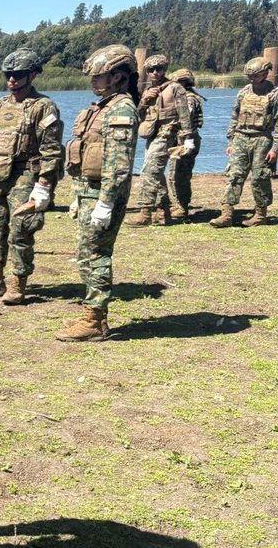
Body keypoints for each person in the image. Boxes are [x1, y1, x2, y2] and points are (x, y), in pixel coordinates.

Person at [0, 49, 63, 305]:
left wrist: (43, 185)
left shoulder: (43, 106)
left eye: (17, 74)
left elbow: (51, 150)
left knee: (21, 229)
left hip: (25, 174)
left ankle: (18, 283)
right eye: (8, 74)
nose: (11, 79)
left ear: (32, 75)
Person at [56, 45, 140, 341]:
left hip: (102, 194)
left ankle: (94, 318)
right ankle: (94, 316)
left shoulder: (121, 109)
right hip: (88, 191)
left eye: (100, 76)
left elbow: (118, 163)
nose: (93, 81)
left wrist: (106, 202)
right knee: (85, 253)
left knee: (95, 254)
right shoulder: (103, 107)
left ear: (118, 76)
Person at [209, 57, 277, 228]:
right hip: (241, 137)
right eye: (249, 76)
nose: (252, 79)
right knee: (234, 175)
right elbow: (235, 117)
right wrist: (231, 141)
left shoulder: (274, 95)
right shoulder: (244, 92)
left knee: (260, 177)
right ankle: (226, 214)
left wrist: (275, 148)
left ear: (264, 74)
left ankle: (260, 215)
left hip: (262, 139)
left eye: (255, 76)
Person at [126, 54, 194, 227]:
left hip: (168, 133)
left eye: (159, 69)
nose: (155, 73)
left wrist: (188, 138)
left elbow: (184, 114)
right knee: (156, 173)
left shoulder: (175, 88)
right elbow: (138, 115)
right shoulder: (149, 89)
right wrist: (144, 100)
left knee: (149, 171)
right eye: (151, 70)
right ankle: (164, 210)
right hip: (152, 134)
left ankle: (145, 212)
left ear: (164, 69)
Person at [166, 69, 204, 221]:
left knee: (179, 175)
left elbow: (185, 119)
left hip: (185, 139)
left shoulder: (188, 99)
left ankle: (182, 207)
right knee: (174, 173)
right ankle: (178, 204)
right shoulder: (187, 97)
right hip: (182, 139)